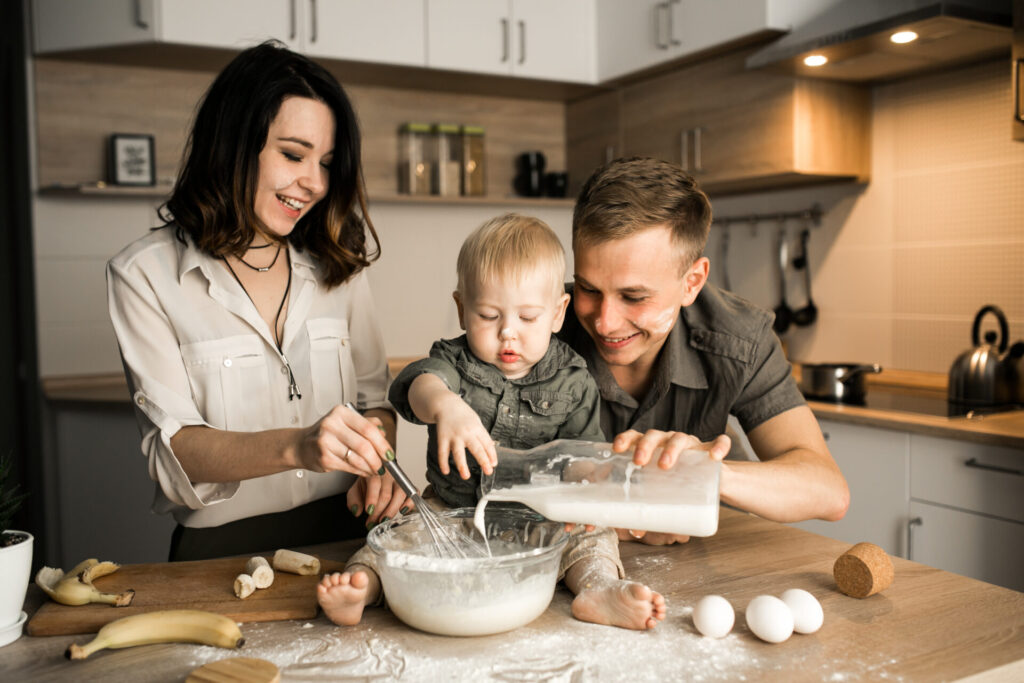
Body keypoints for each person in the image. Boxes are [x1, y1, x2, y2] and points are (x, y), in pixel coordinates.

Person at [106, 41, 407, 561]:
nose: (312, 183)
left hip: (349, 540)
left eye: (327, 163)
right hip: (218, 552)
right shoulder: (144, 276)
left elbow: (373, 403)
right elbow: (175, 448)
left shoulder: (340, 263)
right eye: (292, 155)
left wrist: (379, 460)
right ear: (233, 145)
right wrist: (298, 446)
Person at [317, 213, 667, 630]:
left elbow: (584, 454)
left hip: (543, 520)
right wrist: (446, 405)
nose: (508, 333)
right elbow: (417, 385)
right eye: (488, 316)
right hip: (453, 511)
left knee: (593, 537)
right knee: (399, 536)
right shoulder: (451, 361)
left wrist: (591, 485)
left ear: (558, 314)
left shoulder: (573, 379)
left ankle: (598, 590)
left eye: (528, 318)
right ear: (462, 309)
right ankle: (366, 587)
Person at [560, 157, 850, 545]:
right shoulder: (534, 327)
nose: (604, 321)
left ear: (692, 282)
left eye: (634, 296)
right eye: (588, 289)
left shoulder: (740, 339)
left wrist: (702, 474)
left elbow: (828, 491)